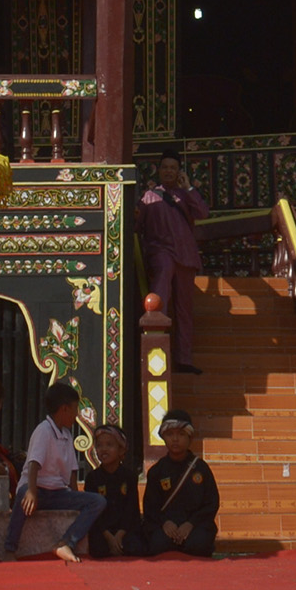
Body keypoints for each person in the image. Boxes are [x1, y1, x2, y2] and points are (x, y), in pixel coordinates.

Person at [1, 382, 103, 562]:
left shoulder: (67, 435)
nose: (76, 415)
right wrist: (32, 491)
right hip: (37, 489)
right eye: (75, 409)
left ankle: (66, 543)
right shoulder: (44, 430)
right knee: (23, 495)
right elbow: (34, 464)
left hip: (58, 493)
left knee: (97, 501)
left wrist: (75, 497)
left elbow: (72, 471)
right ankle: (10, 548)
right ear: (64, 409)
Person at [138, 157, 207, 376]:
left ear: (179, 172)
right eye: (165, 167)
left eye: (173, 168)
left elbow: (202, 213)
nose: (169, 171)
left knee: (184, 310)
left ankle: (183, 359)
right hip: (161, 254)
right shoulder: (149, 197)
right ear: (158, 171)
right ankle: (158, 355)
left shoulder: (185, 195)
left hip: (185, 257)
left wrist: (188, 187)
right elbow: (137, 226)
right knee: (159, 301)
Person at [133, 409, 219, 558]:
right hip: (166, 526)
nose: (175, 439)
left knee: (198, 544)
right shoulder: (157, 471)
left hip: (194, 525)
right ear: (163, 437)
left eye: (181, 434)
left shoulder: (201, 468)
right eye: (170, 434)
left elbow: (211, 503)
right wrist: (165, 523)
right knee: (159, 544)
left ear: (190, 437)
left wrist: (191, 524)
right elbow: (150, 507)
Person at [80, 422, 141, 558]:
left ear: (121, 450)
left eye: (109, 445)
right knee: (98, 549)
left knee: (135, 547)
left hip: (124, 530)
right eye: (99, 445)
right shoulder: (92, 478)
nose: (104, 449)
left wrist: (119, 535)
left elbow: (131, 509)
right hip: (103, 530)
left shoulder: (129, 477)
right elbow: (93, 512)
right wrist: (109, 537)